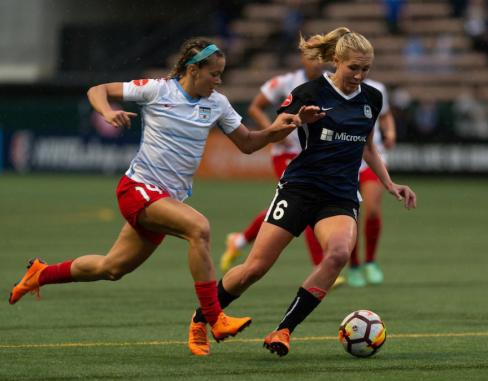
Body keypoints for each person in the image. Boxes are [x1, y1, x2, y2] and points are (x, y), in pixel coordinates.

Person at [7, 37, 323, 357]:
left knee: (112, 268)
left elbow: (249, 143)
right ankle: (213, 318)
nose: (219, 80)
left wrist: (282, 128)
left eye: (221, 74)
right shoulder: (158, 90)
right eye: (214, 73)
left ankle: (40, 274)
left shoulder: (218, 104)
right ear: (193, 69)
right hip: (138, 188)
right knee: (198, 228)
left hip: (165, 200)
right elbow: (97, 90)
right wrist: (106, 111)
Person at [190, 27, 417, 357]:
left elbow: (368, 147)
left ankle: (283, 330)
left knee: (338, 254)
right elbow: (278, 124)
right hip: (299, 188)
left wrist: (389, 183)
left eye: (366, 69)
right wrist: (298, 118)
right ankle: (200, 318)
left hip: (339, 195)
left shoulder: (372, 98)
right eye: (354, 67)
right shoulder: (309, 91)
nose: (359, 75)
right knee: (254, 269)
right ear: (336, 60)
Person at [219, 47, 327, 275]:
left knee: (287, 206)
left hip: (312, 154)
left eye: (321, 58)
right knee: (308, 203)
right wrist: (274, 130)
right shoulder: (286, 82)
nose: (317, 63)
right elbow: (255, 107)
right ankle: (320, 266)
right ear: (302, 59)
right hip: (286, 154)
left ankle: (239, 240)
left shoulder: (330, 86)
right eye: (312, 58)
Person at [347, 78, 396, 287]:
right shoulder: (330, 88)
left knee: (372, 209)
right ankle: (354, 264)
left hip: (372, 155)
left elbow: (384, 115)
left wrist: (391, 132)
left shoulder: (377, 88)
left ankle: (370, 261)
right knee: (350, 214)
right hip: (344, 157)